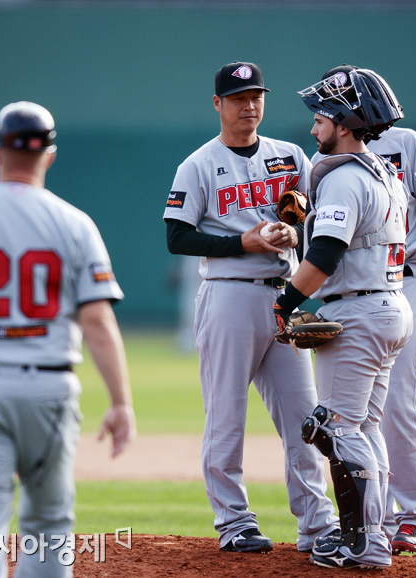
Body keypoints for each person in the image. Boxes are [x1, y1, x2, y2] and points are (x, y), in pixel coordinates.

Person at [0, 101, 137, 578]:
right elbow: (96, 321)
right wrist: (120, 401)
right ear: (49, 156)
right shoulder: (74, 223)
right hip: (46, 390)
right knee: (49, 525)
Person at [163, 61, 339, 554]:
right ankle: (234, 521)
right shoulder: (198, 165)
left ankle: (317, 524)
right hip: (229, 295)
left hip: (284, 296)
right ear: (218, 104)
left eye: (256, 96)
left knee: (305, 417)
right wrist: (243, 241)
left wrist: (292, 229)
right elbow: (177, 236)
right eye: (238, 98)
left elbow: (310, 210)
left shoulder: (290, 156)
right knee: (226, 415)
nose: (249, 106)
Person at [312, 65, 416, 556]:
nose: (317, 120)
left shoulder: (405, 143)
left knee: (390, 402)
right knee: (367, 416)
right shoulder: (332, 157)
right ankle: (378, 523)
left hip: (406, 279)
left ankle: (412, 517)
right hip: (365, 288)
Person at [273, 68, 413, 569]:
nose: (314, 130)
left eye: (321, 119)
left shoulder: (346, 178)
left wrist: (286, 302)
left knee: (334, 427)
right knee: (363, 427)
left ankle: (364, 543)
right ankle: (374, 534)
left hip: (359, 310)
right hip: (388, 305)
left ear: (346, 123)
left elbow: (326, 254)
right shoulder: (382, 172)